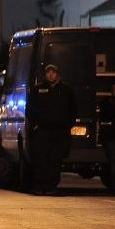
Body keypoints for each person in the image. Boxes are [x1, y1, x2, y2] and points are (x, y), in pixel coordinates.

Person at [25, 64, 77, 195]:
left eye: (53, 72)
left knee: (55, 160)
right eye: (48, 72)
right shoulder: (38, 90)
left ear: (58, 74)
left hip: (59, 132)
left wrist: (67, 126)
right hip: (42, 131)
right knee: (40, 159)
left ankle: (51, 187)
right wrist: (36, 126)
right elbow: (30, 109)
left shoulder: (66, 90)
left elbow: (73, 110)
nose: (50, 75)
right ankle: (38, 186)